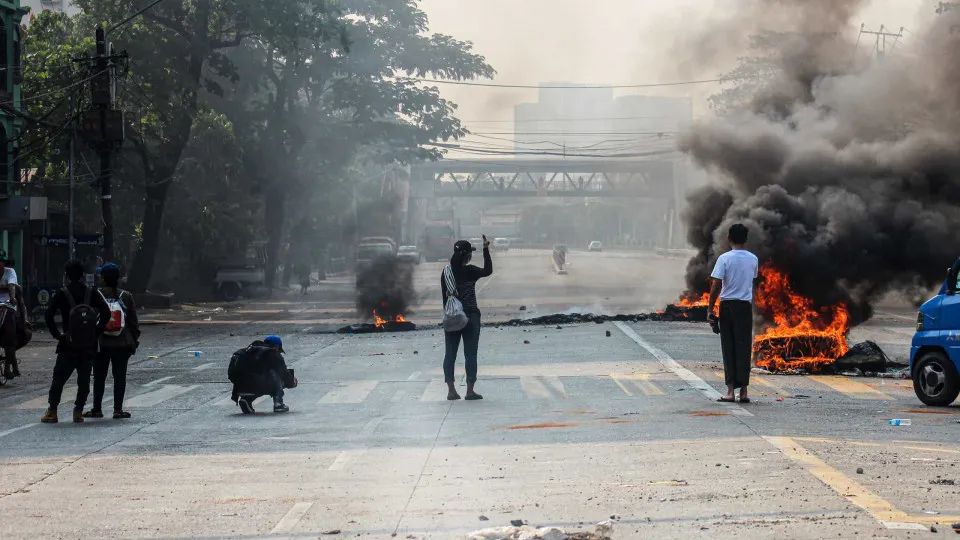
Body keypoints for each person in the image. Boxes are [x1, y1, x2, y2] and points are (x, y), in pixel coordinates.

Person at [42, 260, 112, 424]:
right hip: (88, 344)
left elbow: (48, 315)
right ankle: (78, 411)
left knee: (59, 378)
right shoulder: (91, 292)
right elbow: (106, 313)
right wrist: (95, 332)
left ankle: (52, 411)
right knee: (84, 379)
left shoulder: (62, 293)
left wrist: (57, 335)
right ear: (82, 275)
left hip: (68, 343)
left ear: (66, 276)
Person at [707, 223, 759, 404]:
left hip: (728, 306)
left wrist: (710, 308)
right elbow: (751, 280)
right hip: (745, 307)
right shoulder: (753, 259)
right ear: (745, 239)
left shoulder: (724, 258)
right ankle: (743, 391)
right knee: (744, 348)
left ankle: (730, 391)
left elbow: (716, 285)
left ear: (729, 238)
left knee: (729, 347)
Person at [83, 263, 140, 419]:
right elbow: (134, 324)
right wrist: (133, 340)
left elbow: (88, 318)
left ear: (102, 278)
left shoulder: (95, 295)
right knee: (120, 376)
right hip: (122, 344)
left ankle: (97, 409)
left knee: (99, 376)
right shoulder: (126, 296)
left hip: (101, 343)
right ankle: (117, 410)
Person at [440, 235, 493, 401]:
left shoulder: (446, 273)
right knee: (470, 354)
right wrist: (485, 249)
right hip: (470, 316)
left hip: (452, 317)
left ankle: (451, 390)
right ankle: (470, 390)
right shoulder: (470, 271)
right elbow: (488, 271)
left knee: (450, 355)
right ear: (466, 255)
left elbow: (445, 298)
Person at [229, 335, 297, 414]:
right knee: (277, 374)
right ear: (276, 347)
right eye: (278, 349)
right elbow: (284, 374)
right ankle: (278, 404)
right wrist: (292, 381)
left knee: (257, 376)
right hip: (256, 385)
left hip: (239, 388)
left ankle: (246, 399)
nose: (278, 352)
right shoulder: (273, 354)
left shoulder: (246, 352)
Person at [0, 255, 20, 378]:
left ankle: (8, 368)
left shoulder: (10, 272)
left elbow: (12, 286)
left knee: (9, 335)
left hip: (7, 305)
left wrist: (12, 298)